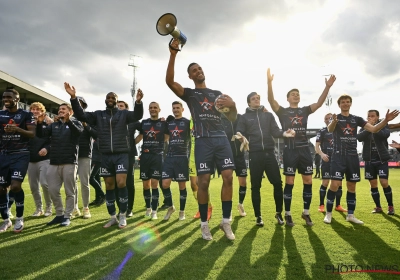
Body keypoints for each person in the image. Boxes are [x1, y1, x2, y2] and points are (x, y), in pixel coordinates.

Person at [166, 39, 238, 241]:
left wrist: (233, 105)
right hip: (203, 140)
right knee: (203, 182)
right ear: (190, 76)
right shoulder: (190, 94)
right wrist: (173, 54)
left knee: (228, 177)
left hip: (220, 138)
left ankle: (226, 222)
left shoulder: (217, 94)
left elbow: (232, 118)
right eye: (194, 71)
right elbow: (170, 82)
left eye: (200, 69)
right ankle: (204, 225)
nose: (198, 72)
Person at [64, 83, 143, 229]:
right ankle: (113, 216)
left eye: (113, 97)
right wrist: (73, 98)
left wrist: (138, 102)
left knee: (121, 183)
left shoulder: (124, 114)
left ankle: (123, 215)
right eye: (108, 97)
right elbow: (81, 115)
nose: (111, 99)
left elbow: (138, 115)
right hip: (105, 155)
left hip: (121, 154)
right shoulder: (98, 115)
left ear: (117, 100)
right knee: (109, 185)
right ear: (105, 100)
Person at [267, 68, 336, 226]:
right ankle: (288, 214)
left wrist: (327, 87)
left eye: (297, 94)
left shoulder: (305, 110)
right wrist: (269, 83)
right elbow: (271, 101)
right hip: (290, 150)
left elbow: (318, 104)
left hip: (304, 149)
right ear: (288, 98)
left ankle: (306, 213)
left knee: (308, 181)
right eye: (293, 94)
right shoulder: (283, 111)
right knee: (289, 182)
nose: (296, 95)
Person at [323, 95, 399, 224]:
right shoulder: (336, 118)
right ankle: (328, 214)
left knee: (352, 186)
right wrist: (334, 121)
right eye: (343, 102)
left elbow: (374, 129)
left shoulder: (356, 119)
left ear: (351, 104)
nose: (345, 104)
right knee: (334, 185)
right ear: (339, 104)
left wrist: (385, 120)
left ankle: (351, 215)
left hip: (352, 157)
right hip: (338, 156)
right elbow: (330, 129)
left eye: (348, 102)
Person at [236, 92, 295, 226]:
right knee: (255, 186)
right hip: (255, 154)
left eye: (258, 98)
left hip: (269, 153)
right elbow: (239, 132)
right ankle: (258, 216)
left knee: (277, 183)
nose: (256, 100)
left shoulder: (268, 115)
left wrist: (284, 133)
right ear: (249, 102)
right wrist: (241, 137)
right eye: (253, 99)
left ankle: (279, 213)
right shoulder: (244, 117)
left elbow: (275, 131)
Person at [36, 103, 83, 226]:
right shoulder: (54, 125)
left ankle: (67, 216)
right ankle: (59, 214)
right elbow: (42, 135)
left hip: (69, 162)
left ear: (70, 112)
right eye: (60, 109)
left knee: (70, 191)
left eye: (64, 109)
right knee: (52, 190)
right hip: (54, 162)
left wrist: (69, 121)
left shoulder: (76, 123)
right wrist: (40, 123)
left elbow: (78, 133)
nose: (60, 111)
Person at [0, 88, 36, 233]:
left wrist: (17, 129)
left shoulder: (26, 114)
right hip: (3, 154)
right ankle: (5, 220)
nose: (5, 99)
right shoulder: (0, 114)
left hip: (21, 153)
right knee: (1, 189)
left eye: (9, 97)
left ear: (17, 99)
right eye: (4, 97)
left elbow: (32, 134)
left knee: (15, 186)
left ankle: (19, 218)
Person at [135, 102, 169, 220]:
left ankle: (154, 211)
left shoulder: (163, 123)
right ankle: (148, 208)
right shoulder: (144, 123)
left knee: (154, 184)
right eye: (151, 108)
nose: (153, 109)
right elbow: (139, 137)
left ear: (159, 109)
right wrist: (129, 144)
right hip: (145, 157)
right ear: (148, 110)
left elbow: (166, 138)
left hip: (157, 157)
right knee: (145, 185)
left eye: (155, 107)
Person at [357, 110, 394, 215]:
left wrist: (374, 127)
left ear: (378, 117)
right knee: (373, 184)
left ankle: (390, 206)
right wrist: (370, 127)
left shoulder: (384, 125)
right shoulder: (364, 126)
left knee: (384, 182)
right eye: (369, 116)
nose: (370, 117)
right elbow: (359, 138)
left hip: (381, 159)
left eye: (373, 116)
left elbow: (384, 135)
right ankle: (378, 207)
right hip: (369, 160)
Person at [161, 101, 191, 221]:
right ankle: (171, 207)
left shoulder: (187, 123)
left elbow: (193, 138)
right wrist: (162, 124)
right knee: (164, 184)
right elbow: (165, 138)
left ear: (182, 109)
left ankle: (182, 211)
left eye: (178, 108)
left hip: (182, 156)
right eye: (174, 108)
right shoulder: (170, 123)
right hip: (170, 157)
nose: (175, 110)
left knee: (182, 185)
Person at [315, 113, 347, 213]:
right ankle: (321, 205)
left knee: (339, 183)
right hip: (327, 160)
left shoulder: (340, 130)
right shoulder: (322, 131)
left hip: (338, 160)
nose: (329, 119)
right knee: (325, 182)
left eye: (331, 118)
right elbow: (316, 146)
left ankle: (338, 205)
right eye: (327, 118)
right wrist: (322, 154)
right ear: (324, 121)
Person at [27, 102, 53, 217]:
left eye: (38, 109)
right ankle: (39, 208)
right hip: (30, 159)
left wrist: (47, 149)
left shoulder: (48, 124)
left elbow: (53, 140)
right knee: (33, 186)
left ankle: (49, 206)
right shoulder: (26, 123)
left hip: (44, 159)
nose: (35, 111)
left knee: (44, 183)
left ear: (43, 112)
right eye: (32, 109)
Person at [73, 97, 97, 219]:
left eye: (80, 104)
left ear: (84, 106)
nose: (78, 106)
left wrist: (86, 125)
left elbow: (96, 134)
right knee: (72, 183)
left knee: (84, 182)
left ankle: (86, 208)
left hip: (85, 154)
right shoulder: (69, 119)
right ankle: (74, 208)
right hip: (71, 155)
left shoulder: (89, 119)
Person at [221, 112, 248, 218]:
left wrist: (264, 110)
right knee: (228, 182)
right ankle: (229, 210)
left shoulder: (240, 117)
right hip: (227, 155)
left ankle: (240, 204)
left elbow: (250, 116)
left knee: (243, 183)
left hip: (240, 156)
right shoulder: (220, 119)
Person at [116, 100, 140, 217]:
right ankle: (120, 209)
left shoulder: (132, 119)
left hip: (129, 154)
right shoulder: (111, 118)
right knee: (116, 182)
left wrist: (133, 142)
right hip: (114, 155)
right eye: (117, 106)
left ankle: (129, 208)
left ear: (126, 108)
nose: (119, 107)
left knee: (129, 182)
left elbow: (143, 131)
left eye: (121, 106)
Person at [189, 118, 213, 220]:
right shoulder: (189, 121)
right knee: (193, 185)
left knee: (201, 184)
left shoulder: (205, 117)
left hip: (203, 154)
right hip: (192, 156)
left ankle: (207, 208)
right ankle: (202, 208)